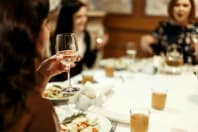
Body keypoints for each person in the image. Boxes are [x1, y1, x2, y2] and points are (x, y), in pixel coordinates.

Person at [0, 0, 79, 131]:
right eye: (46, 23)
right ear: (32, 35)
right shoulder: (37, 111)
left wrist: (44, 73)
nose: (49, 29)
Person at [50, 0, 109, 81]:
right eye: (79, 17)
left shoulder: (85, 34)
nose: (84, 20)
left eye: (85, 16)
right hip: (63, 82)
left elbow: (88, 63)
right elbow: (59, 70)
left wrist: (97, 47)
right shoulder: (61, 39)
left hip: (78, 80)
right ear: (68, 18)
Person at [141, 0, 198, 64]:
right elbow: (153, 54)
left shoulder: (196, 29)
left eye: (185, 5)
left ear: (191, 9)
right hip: (165, 70)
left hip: (188, 72)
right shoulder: (163, 26)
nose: (180, 9)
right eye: (177, 5)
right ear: (171, 8)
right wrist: (146, 44)